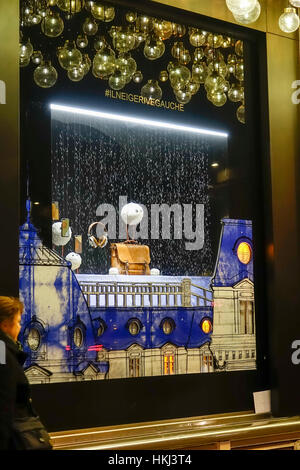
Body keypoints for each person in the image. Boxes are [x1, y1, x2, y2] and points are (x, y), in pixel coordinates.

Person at [0, 296, 52, 450]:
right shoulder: (2, 352)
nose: (19, 327)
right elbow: (4, 404)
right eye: (17, 322)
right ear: (4, 325)